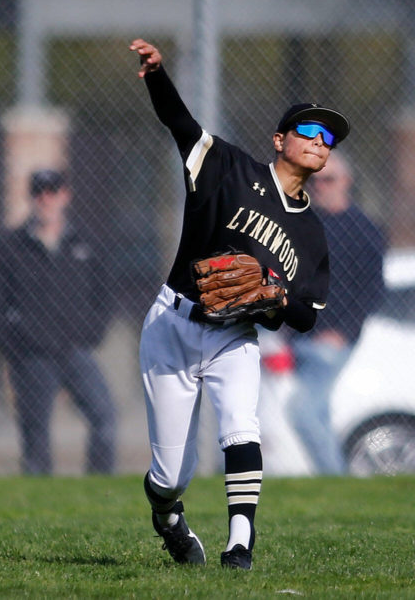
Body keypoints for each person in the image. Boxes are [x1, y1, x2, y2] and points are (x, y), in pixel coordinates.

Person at [130, 38, 349, 570]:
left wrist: (273, 298)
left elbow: (305, 317)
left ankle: (240, 545)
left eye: (330, 138)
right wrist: (158, 75)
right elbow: (179, 124)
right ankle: (169, 519)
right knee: (171, 477)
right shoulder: (228, 169)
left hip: (234, 336)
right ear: (280, 139)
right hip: (173, 323)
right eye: (310, 131)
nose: (322, 142)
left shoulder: (312, 237)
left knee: (241, 427)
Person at [0, 169, 117, 474]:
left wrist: (90, 333)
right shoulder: (10, 247)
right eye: (39, 191)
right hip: (32, 357)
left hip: (76, 350)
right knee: (35, 437)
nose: (46, 198)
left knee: (105, 419)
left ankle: (100, 491)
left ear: (65, 195)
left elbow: (105, 295)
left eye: (52, 191)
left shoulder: (85, 244)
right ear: (31, 197)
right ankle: (38, 508)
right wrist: (17, 344)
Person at [288, 153, 385, 474]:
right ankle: (333, 480)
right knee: (318, 413)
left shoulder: (363, 229)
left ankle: (335, 476)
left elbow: (372, 292)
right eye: (313, 180)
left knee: (302, 411)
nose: (319, 187)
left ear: (346, 182)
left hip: (333, 341)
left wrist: (342, 332)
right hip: (302, 336)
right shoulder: (305, 224)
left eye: (327, 179)